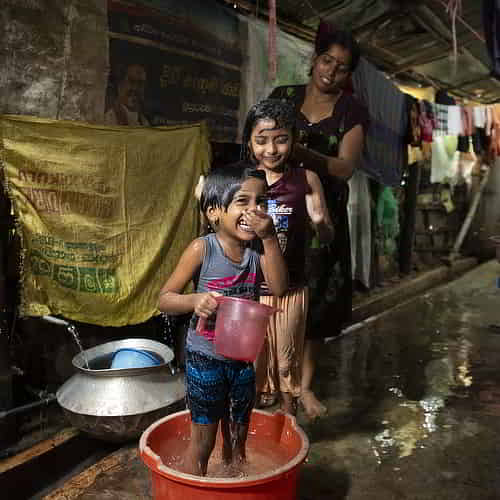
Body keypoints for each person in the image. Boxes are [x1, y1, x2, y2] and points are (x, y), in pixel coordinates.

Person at [158, 164, 287, 476]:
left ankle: (236, 483)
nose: (254, 210)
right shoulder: (203, 249)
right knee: (203, 440)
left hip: (243, 360)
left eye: (261, 202)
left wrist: (269, 238)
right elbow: (164, 299)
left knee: (238, 436)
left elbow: (280, 288)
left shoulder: (257, 256)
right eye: (243, 201)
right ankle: (195, 487)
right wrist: (193, 300)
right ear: (214, 212)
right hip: (205, 358)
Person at [269, 26, 369, 418]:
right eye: (327, 60)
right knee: (274, 294)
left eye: (341, 67)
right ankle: (276, 382)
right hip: (279, 212)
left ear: (349, 75)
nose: (331, 71)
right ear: (315, 59)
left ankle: (305, 386)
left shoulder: (352, 110)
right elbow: (261, 140)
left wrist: (301, 154)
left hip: (319, 222)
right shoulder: (283, 98)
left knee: (314, 301)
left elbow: (344, 168)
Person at [240, 99, 334, 415]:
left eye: (281, 139)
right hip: (249, 290)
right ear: (249, 141)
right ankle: (252, 432)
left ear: (293, 139)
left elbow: (327, 235)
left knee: (286, 365)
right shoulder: (241, 181)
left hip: (292, 289)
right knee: (251, 365)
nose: (271, 149)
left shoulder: (307, 179)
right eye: (261, 140)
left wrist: (321, 224)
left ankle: (288, 426)